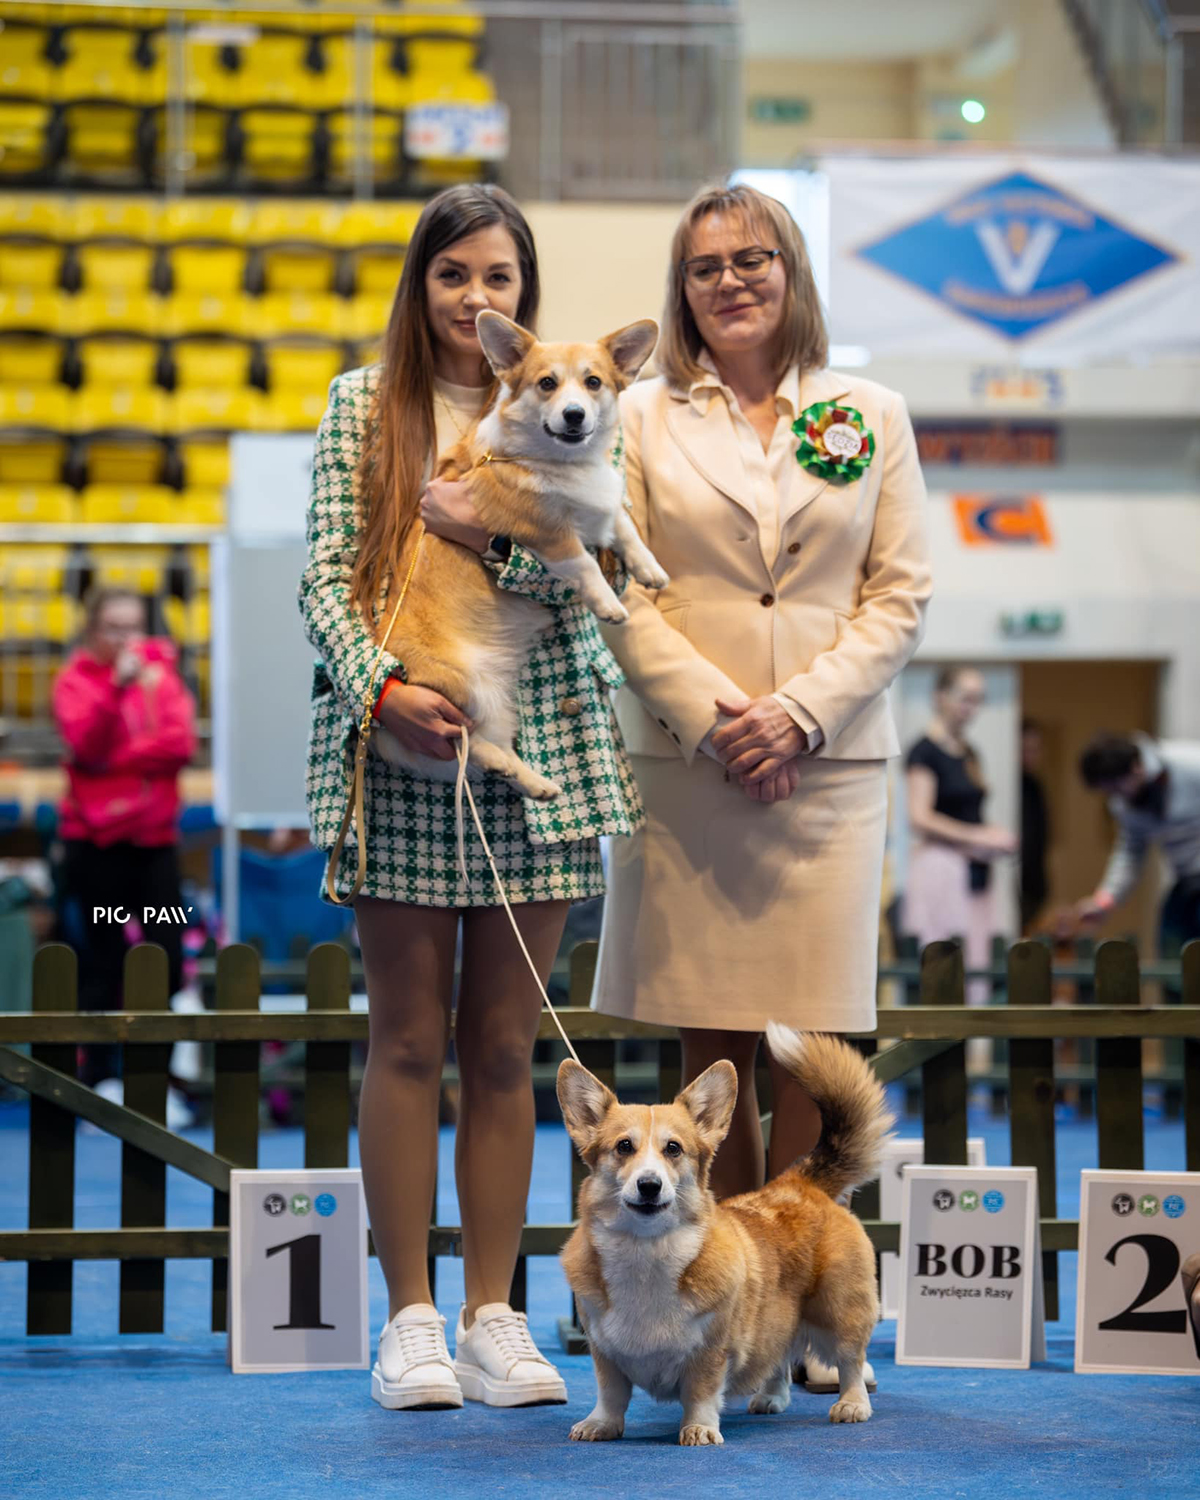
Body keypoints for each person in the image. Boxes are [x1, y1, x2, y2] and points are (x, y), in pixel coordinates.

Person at [297, 184, 643, 1413]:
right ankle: (409, 1323)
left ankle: (496, 1316)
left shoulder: (585, 403)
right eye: (453, 275)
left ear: (523, 294)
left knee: (505, 1049)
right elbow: (323, 585)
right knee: (404, 1039)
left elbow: (593, 586)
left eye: (498, 276)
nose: (476, 298)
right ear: (422, 286)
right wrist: (381, 689)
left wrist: (493, 541)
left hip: (542, 739)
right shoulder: (363, 405)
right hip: (406, 738)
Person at [589, 180, 931, 1194]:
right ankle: (723, 1292)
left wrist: (798, 717)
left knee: (813, 1054)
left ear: (792, 272)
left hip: (828, 768)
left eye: (753, 260)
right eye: (706, 268)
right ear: (681, 290)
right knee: (714, 1059)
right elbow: (619, 593)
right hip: (693, 769)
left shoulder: (874, 413)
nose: (731, 281)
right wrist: (722, 721)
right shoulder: (635, 417)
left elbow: (900, 596)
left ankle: (805, 1293)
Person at [52, 588, 196, 1089]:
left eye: (132, 626)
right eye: (113, 627)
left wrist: (114, 762)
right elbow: (84, 743)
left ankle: (157, 1076)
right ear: (92, 630)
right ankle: (98, 1077)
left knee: (169, 957)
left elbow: (179, 745)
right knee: (102, 959)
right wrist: (115, 690)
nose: (124, 638)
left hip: (153, 845)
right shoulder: (76, 681)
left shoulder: (163, 676)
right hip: (96, 847)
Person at [902, 667, 1015, 1020]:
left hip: (975, 871)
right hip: (941, 869)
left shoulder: (969, 752)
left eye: (978, 700)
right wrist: (978, 836)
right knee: (944, 963)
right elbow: (920, 818)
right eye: (965, 698)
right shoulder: (924, 752)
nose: (972, 708)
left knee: (976, 961)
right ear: (941, 698)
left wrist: (996, 836)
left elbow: (972, 815)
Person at [1069, 732, 1200, 966]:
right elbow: (1130, 851)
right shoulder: (1124, 803)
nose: (1116, 797)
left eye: (1117, 787)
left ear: (1137, 768)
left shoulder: (1191, 765)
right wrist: (1104, 901)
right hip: (1188, 881)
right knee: (1173, 949)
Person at [1020, 717, 1051, 933]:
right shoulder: (1010, 786)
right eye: (1026, 749)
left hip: (1033, 883)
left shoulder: (1035, 786)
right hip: (1014, 883)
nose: (1032, 755)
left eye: (1036, 749)